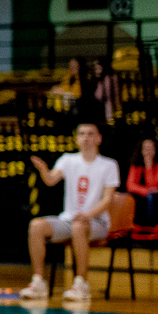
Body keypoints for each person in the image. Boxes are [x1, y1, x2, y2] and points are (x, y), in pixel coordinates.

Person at [20, 121, 121, 303]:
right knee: (36, 226)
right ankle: (38, 282)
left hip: (96, 222)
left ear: (99, 138)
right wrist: (43, 170)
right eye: (81, 134)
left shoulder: (109, 165)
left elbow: (107, 200)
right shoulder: (68, 160)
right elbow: (50, 180)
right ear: (76, 139)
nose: (86, 137)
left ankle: (81, 284)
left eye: (90, 134)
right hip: (69, 220)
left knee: (78, 226)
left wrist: (88, 215)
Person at [127, 138, 158, 231]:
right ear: (141, 151)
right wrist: (145, 191)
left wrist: (149, 165)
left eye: (151, 149)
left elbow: (153, 184)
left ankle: (150, 226)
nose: (148, 152)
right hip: (143, 194)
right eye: (146, 149)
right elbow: (130, 185)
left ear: (156, 150)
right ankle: (132, 224)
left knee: (152, 196)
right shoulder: (136, 164)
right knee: (127, 196)